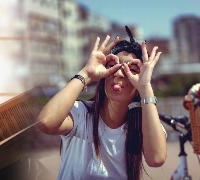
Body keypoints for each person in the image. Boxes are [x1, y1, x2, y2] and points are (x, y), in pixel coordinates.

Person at [38, 26, 167, 180]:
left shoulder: (143, 123)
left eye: (131, 69)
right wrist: (86, 73)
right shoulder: (82, 114)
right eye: (112, 66)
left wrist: (145, 87)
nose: (119, 73)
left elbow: (156, 158)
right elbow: (46, 122)